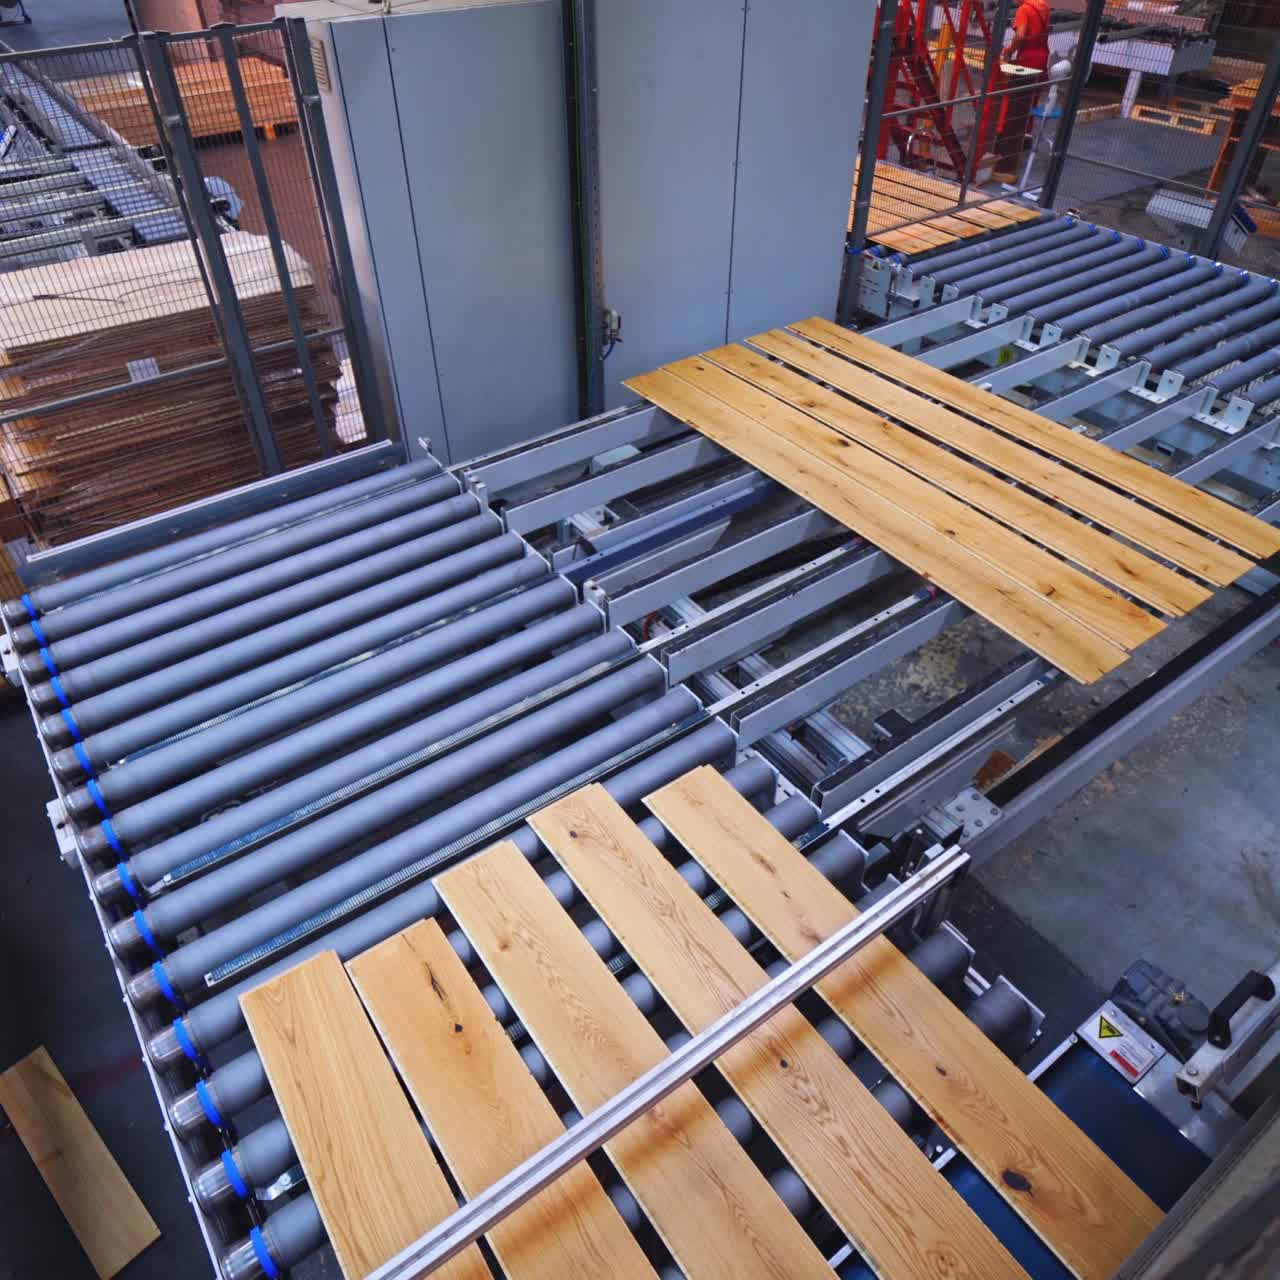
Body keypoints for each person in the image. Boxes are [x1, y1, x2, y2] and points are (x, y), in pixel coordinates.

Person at [992, 0, 1052, 180]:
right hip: (1042, 57)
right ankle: (1023, 143)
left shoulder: (1024, 9)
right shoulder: (1043, 5)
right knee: (1028, 105)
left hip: (1028, 59)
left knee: (1014, 108)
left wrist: (1009, 50)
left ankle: (1006, 159)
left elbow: (1021, 35)